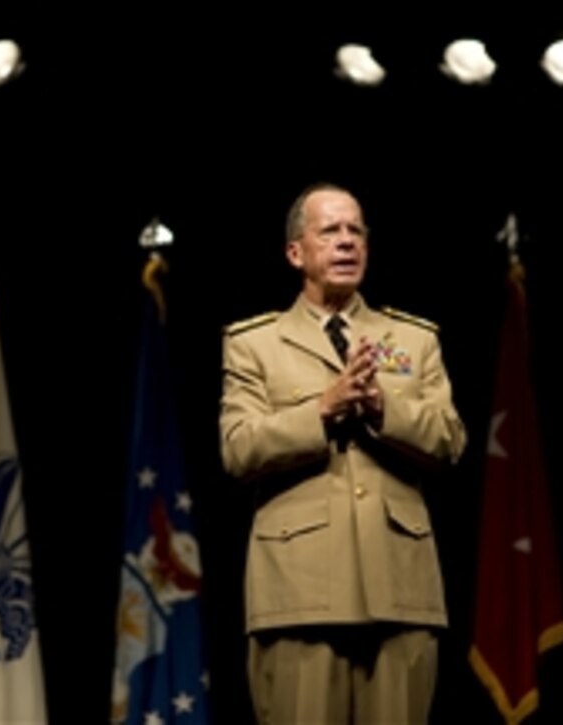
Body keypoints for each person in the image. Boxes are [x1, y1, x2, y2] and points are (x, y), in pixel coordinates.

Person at [219, 182, 467, 724]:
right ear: (295, 253)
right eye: (330, 231)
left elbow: (451, 440)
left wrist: (384, 410)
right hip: (299, 591)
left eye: (356, 231)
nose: (347, 242)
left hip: (400, 589)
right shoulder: (254, 343)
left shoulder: (413, 339)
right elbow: (238, 449)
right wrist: (321, 411)